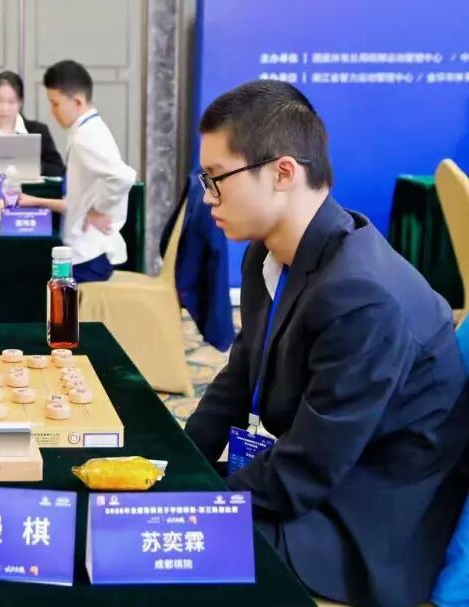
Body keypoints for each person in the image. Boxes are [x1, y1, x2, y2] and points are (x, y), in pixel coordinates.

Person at [184, 79, 469, 607]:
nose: (207, 197)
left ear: (283, 172)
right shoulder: (270, 252)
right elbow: (240, 375)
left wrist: (192, 508)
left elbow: (308, 468)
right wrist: (180, 464)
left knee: (172, 550)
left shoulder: (361, 295)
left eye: (217, 178)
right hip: (313, 474)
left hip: (365, 524)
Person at [19, 60, 136, 283]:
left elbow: (123, 177)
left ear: (78, 101)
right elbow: (79, 201)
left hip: (87, 256)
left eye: (55, 104)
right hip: (83, 250)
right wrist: (34, 201)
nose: (52, 112)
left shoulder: (85, 136)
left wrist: (100, 210)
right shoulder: (87, 129)